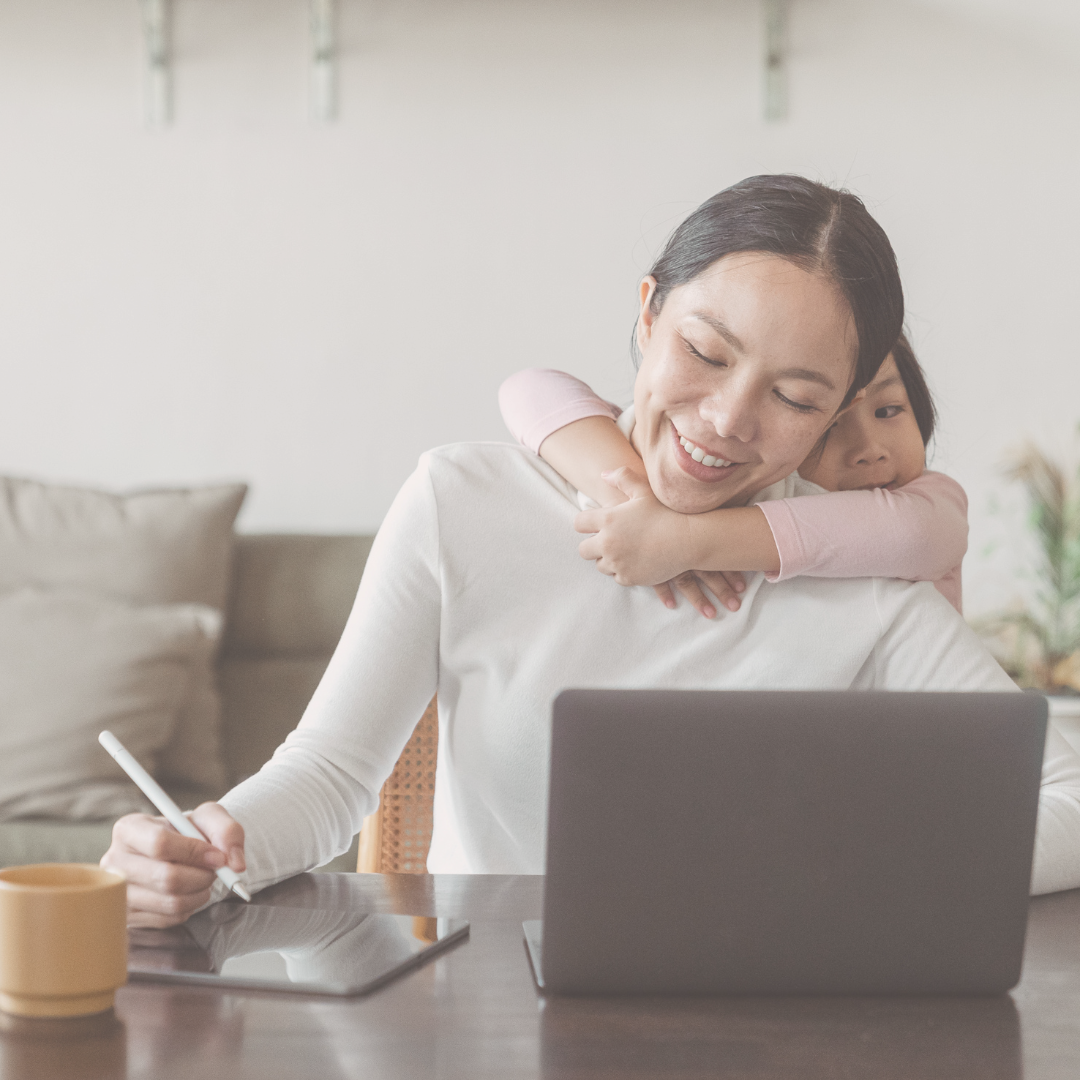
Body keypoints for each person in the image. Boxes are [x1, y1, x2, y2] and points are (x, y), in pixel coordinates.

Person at [102, 175, 1080, 928]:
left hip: (773, 1029)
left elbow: (1069, 792)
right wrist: (198, 846)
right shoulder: (464, 503)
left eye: (794, 397)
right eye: (705, 352)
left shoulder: (861, 581)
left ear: (837, 411)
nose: (727, 422)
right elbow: (326, 782)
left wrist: (878, 871)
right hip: (477, 1019)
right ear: (648, 313)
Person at [498, 333, 968, 616]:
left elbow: (913, 535)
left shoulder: (931, 504)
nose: (870, 451)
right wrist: (634, 502)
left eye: (889, 410)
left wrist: (683, 538)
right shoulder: (758, 490)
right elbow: (529, 389)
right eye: (828, 426)